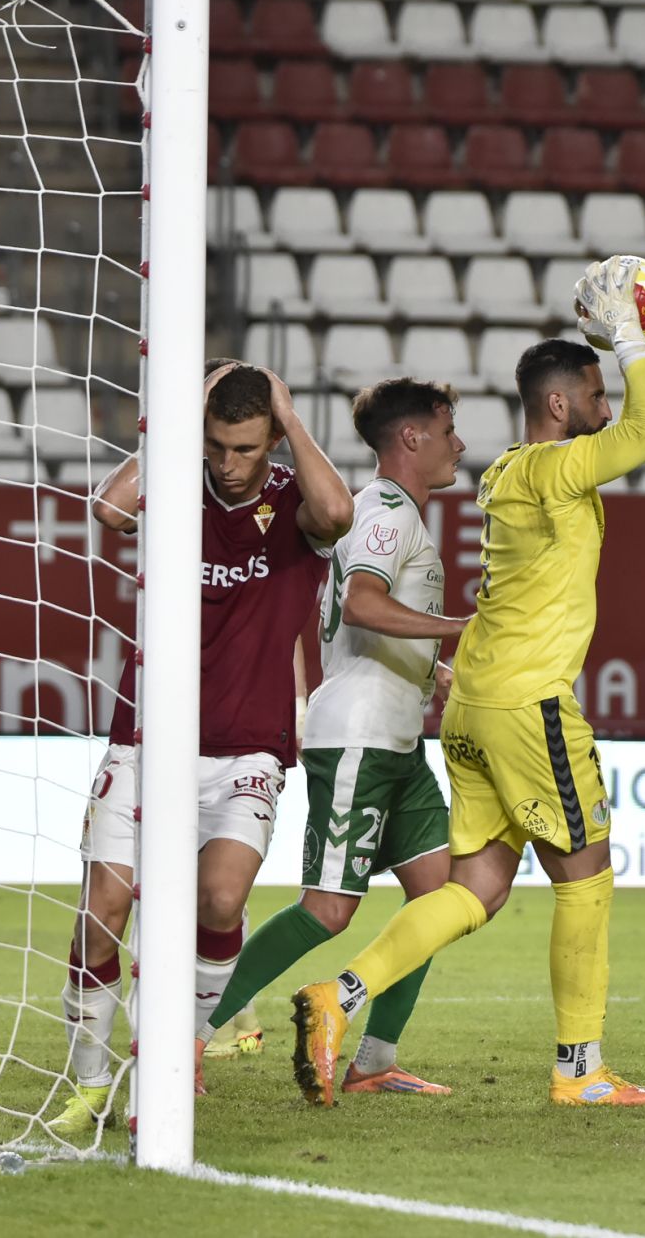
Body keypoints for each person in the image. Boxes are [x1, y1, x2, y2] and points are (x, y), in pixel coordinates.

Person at [290, 258, 645, 1109]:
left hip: (470, 703)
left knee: (478, 889)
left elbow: (631, 430)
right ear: (558, 406)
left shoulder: (507, 472)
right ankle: (580, 1071)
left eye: (606, 396)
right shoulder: (550, 469)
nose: (605, 409)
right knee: (587, 873)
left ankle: (338, 998)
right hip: (528, 701)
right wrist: (627, 340)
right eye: (593, 397)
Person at [45, 360, 350, 1136]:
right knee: (99, 915)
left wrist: (290, 412)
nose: (227, 463)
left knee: (219, 900)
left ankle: (178, 1050)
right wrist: (182, 418)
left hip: (247, 749)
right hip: (145, 738)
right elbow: (111, 510)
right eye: (216, 445)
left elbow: (339, 512)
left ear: (273, 440)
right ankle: (88, 1080)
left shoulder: (292, 506)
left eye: (245, 448)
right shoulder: (180, 487)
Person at [198, 377, 468, 1097]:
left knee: (440, 900)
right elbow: (364, 602)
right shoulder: (384, 512)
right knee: (327, 911)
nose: (459, 446)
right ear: (411, 438)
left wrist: (431, 668)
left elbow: (359, 619)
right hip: (356, 738)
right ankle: (189, 1032)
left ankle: (374, 1061)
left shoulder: (393, 514)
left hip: (397, 738)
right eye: (448, 430)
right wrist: (460, 630)